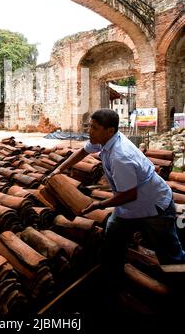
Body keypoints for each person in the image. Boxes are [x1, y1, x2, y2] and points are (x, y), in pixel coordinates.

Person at [48, 108, 185, 285]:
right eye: (89, 126)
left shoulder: (120, 156)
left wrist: (98, 205)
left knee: (169, 253)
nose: (89, 131)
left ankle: (178, 285)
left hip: (154, 206)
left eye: (94, 128)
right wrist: (59, 169)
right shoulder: (104, 140)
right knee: (113, 237)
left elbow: (128, 195)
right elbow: (83, 151)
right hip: (129, 207)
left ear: (109, 130)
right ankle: (113, 278)